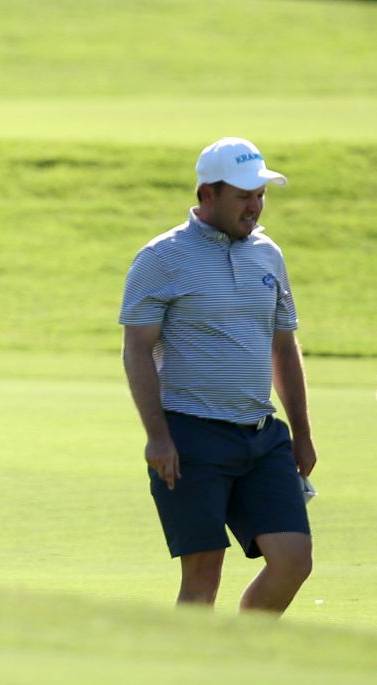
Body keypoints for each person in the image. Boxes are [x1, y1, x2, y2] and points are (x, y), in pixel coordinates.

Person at [120, 137, 316, 614]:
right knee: (203, 577)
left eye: (260, 195)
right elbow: (137, 349)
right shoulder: (161, 258)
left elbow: (283, 345)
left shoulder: (268, 254)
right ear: (208, 194)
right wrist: (157, 437)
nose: (255, 206)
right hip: (191, 436)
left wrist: (303, 434)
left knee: (293, 560)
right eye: (243, 196)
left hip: (261, 435)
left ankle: (238, 658)